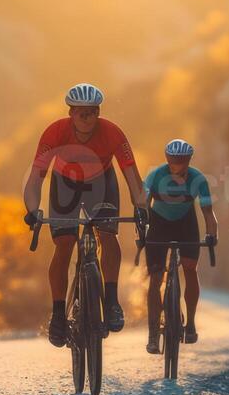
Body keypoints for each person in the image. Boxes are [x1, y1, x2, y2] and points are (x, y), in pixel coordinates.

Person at [22, 83, 148, 347]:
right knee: (65, 244)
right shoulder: (55, 132)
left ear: (99, 112)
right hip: (65, 185)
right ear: (71, 113)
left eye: (92, 112)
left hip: (102, 184)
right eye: (81, 113)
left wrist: (141, 207)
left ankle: (111, 301)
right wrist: (32, 210)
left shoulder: (112, 132)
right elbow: (36, 177)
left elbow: (132, 176)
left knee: (107, 236)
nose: (87, 118)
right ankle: (58, 314)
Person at [142, 139, 218, 354]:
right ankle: (153, 332)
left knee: (190, 268)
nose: (177, 164)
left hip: (186, 224)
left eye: (182, 161)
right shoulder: (155, 175)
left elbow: (208, 213)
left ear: (188, 160)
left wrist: (212, 234)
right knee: (156, 278)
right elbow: (143, 207)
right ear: (167, 159)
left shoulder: (198, 179)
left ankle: (191, 322)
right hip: (159, 223)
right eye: (173, 161)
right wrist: (141, 232)